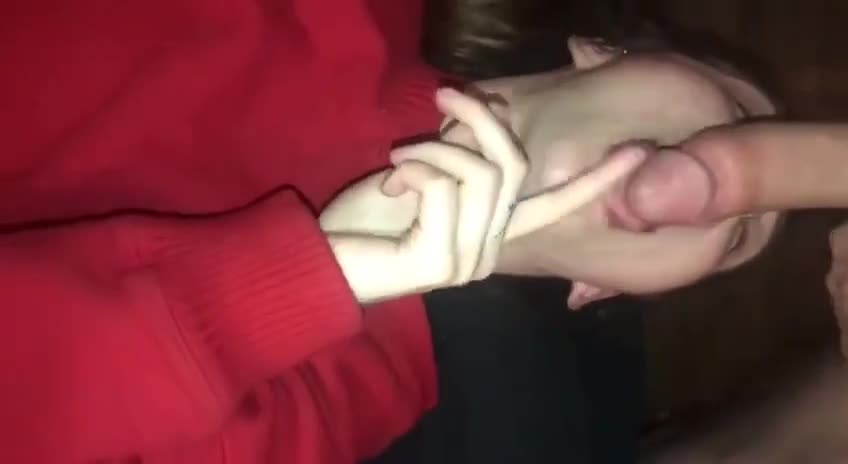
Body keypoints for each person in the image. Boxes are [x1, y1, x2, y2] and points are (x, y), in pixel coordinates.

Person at [0, 1, 782, 463]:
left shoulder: (357, 396)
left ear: (599, 290)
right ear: (605, 54)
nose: (724, 185)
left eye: (738, 236)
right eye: (739, 117)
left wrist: (292, 288)